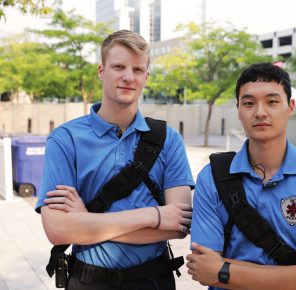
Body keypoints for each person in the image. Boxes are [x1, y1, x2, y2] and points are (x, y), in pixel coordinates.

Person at [35, 30, 194, 290]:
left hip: (154, 280)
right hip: (88, 280)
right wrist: (154, 215)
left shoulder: (168, 139)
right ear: (101, 71)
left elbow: (178, 225)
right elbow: (58, 230)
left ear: (146, 77)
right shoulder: (65, 139)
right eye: (118, 67)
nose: (128, 77)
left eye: (138, 70)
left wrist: (86, 221)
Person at [187, 62, 296, 290]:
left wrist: (222, 270)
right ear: (238, 109)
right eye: (249, 103)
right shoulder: (212, 176)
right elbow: (203, 269)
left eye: (272, 102)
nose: (260, 112)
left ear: (290, 107)